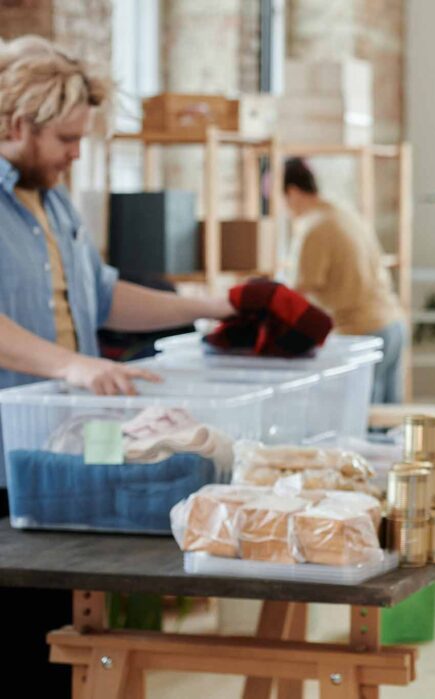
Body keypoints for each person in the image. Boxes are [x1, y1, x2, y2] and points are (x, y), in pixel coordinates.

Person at [0, 35, 233, 695]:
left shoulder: (57, 202)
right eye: (67, 140)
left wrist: (213, 305)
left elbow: (102, 296)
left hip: (64, 450)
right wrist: (73, 366)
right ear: (18, 124)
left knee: (67, 633)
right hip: (6, 454)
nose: (77, 154)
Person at [281, 157, 407, 403]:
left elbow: (296, 294)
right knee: (390, 426)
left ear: (292, 192)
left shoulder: (314, 228)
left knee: (362, 424)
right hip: (392, 324)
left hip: (362, 332)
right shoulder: (343, 213)